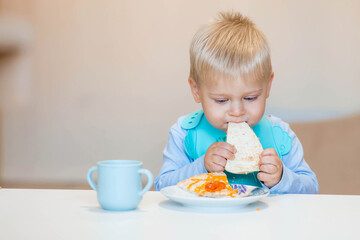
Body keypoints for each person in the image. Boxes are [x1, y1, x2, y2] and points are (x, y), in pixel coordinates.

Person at [155, 11, 318, 194]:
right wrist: (201, 166)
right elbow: (162, 186)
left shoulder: (279, 135)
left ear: (268, 86)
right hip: (202, 222)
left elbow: (311, 189)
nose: (237, 111)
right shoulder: (184, 133)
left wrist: (282, 178)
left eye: (250, 98)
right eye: (222, 100)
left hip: (267, 222)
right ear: (196, 90)